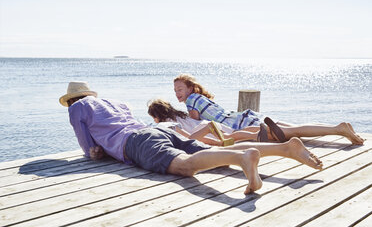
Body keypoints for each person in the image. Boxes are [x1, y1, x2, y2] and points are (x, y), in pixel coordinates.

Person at [60, 81, 323, 194]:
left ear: (72, 99)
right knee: (208, 155)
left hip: (137, 143)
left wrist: (94, 153)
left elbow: (87, 145)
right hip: (161, 131)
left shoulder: (77, 107)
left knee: (186, 166)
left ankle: (243, 157)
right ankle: (285, 149)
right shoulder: (115, 102)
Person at [173, 74, 365, 145]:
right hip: (246, 116)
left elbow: (199, 122)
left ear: (190, 88)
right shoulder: (203, 97)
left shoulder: (192, 100)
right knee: (296, 129)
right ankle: (337, 128)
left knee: (294, 132)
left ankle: (338, 130)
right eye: (175, 91)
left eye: (180, 89)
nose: (177, 94)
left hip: (241, 123)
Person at [147, 98, 269, 146]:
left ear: (157, 115)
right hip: (208, 124)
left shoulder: (168, 123)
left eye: (153, 117)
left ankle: (256, 135)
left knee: (231, 136)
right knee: (235, 132)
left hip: (204, 130)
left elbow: (186, 135)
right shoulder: (179, 115)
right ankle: (264, 130)